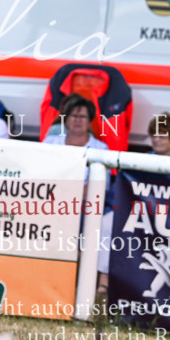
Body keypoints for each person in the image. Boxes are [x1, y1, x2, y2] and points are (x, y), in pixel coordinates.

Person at [44, 93, 113, 294]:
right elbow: (41, 174)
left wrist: (67, 193)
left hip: (83, 205)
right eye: (73, 115)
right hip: (51, 200)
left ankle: (82, 279)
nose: (76, 120)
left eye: (82, 116)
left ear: (89, 120)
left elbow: (99, 187)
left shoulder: (100, 148)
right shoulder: (50, 142)